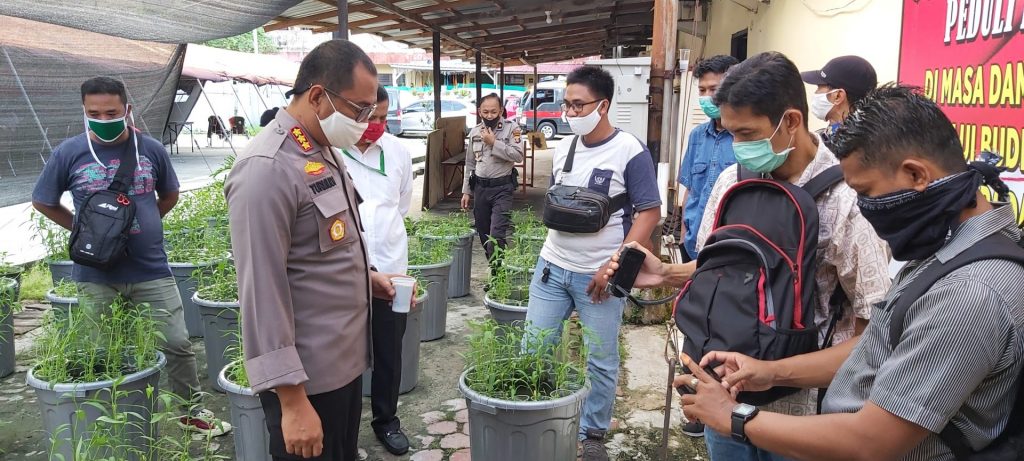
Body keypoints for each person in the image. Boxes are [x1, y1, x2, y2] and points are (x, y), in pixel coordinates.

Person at [659, 84, 1024, 461]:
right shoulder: (947, 251)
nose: (864, 209)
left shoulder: (969, 293)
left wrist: (733, 418)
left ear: (916, 175)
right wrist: (770, 372)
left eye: (865, 192)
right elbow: (874, 350)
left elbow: (870, 442)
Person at [612, 52, 892, 461]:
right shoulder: (732, 182)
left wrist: (773, 373)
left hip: (805, 418)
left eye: (746, 134)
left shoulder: (847, 199)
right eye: (730, 134)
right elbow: (720, 267)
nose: (737, 147)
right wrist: (666, 272)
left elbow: (872, 337)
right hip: (722, 393)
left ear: (791, 121)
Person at [226, 40, 403, 461]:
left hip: (341, 363)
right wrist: (291, 401)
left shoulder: (319, 146)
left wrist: (368, 276)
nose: (366, 121)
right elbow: (261, 295)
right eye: (360, 109)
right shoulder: (266, 169)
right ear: (319, 96)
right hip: (306, 381)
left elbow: (329, 243)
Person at [31, 76, 231, 436]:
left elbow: (169, 195)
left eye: (111, 112)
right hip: (95, 273)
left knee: (177, 343)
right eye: (94, 113)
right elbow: (43, 200)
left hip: (150, 268)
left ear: (127, 109)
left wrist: (138, 225)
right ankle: (113, 417)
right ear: (84, 111)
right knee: (103, 351)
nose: (103, 119)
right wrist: (85, 230)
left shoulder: (149, 149)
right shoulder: (69, 153)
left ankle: (190, 411)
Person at [526, 66, 662, 461]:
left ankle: (592, 434)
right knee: (535, 347)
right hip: (552, 267)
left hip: (599, 276)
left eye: (578, 104)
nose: (569, 111)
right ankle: (540, 413)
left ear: (603, 105)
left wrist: (617, 266)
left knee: (600, 358)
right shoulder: (566, 147)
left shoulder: (630, 151)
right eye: (567, 103)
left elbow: (649, 213)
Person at [338, 87, 414, 456]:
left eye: (384, 117)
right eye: (370, 117)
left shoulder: (399, 151)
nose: (377, 125)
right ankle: (344, 430)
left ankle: (386, 421)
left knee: (389, 351)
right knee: (343, 355)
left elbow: (400, 205)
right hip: (344, 273)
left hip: (391, 266)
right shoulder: (333, 151)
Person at [678, 55, 740, 263]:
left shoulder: (748, 138)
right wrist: (682, 236)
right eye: (702, 90)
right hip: (693, 244)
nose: (706, 97)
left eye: (713, 89)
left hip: (728, 248)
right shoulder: (697, 136)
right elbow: (690, 190)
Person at [460, 93, 524, 264]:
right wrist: (466, 191)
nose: (489, 116)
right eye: (485, 112)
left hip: (502, 189)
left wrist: (494, 143)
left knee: (497, 234)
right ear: (480, 111)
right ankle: (496, 268)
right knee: (483, 233)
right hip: (480, 189)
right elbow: (470, 163)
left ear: (501, 110)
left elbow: (518, 155)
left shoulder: (512, 129)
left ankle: (496, 277)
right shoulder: (474, 132)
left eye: (494, 112)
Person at [800, 55, 877, 143]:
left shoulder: (848, 149)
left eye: (819, 87)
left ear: (838, 96)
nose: (816, 93)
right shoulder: (832, 137)